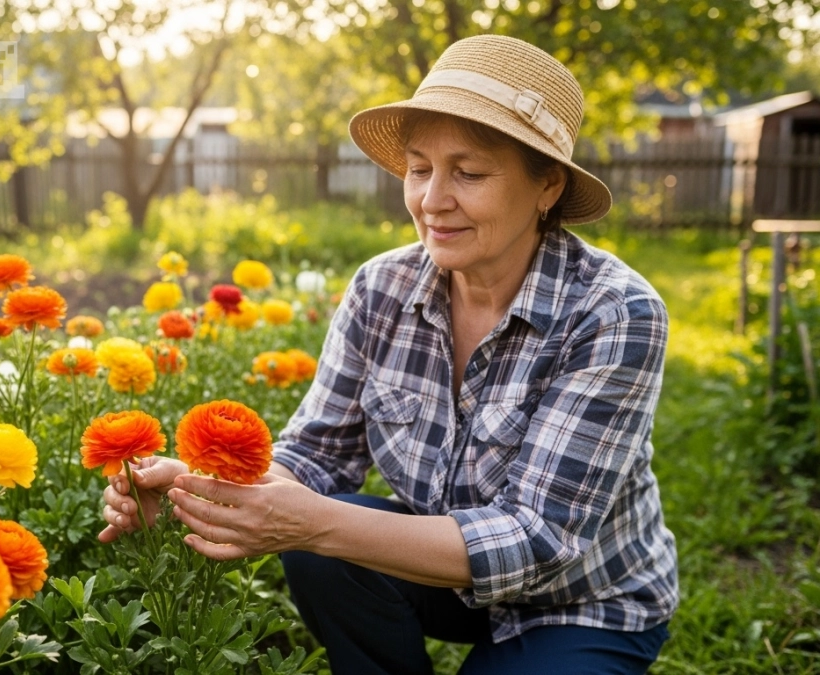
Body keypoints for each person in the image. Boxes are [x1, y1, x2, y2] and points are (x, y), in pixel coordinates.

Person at [99, 34, 677, 674]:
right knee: (320, 545)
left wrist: (313, 523)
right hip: (436, 567)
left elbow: (541, 542)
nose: (431, 201)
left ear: (548, 187)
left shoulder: (614, 312)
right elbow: (314, 458)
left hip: (579, 601)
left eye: (470, 173)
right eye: (420, 167)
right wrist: (196, 487)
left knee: (322, 533)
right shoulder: (383, 287)